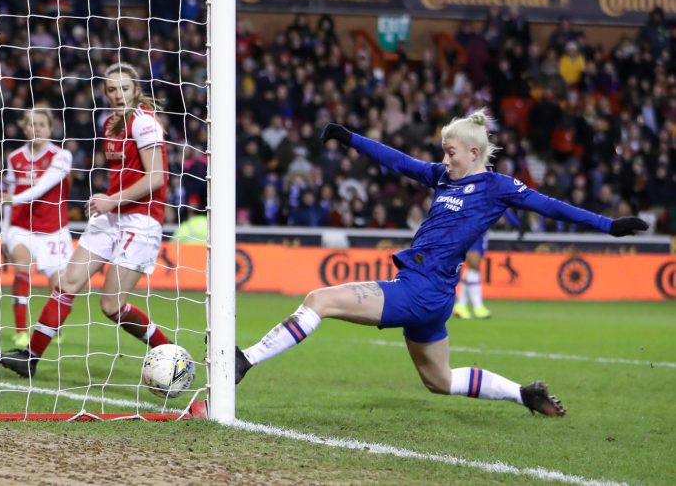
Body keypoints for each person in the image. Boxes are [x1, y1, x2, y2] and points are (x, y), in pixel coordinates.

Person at [234, 110, 647, 416]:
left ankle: (246, 360)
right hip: (432, 291)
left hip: (422, 288)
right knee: (440, 380)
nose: (444, 160)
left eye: (450, 153)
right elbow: (399, 161)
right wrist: (350, 138)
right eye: (442, 153)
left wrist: (608, 225)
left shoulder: (497, 186)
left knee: (319, 299)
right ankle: (524, 394)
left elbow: (550, 206)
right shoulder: (443, 177)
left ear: (473, 151)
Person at [0, 62, 172, 378]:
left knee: (111, 306)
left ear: (136, 89)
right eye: (112, 89)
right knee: (67, 283)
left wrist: (111, 199)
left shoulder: (145, 124)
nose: (118, 95)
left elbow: (157, 177)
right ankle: (30, 357)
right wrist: (108, 201)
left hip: (141, 220)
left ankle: (168, 350)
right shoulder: (110, 125)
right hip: (112, 216)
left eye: (124, 88)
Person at [0, 108, 72, 350]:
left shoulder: (62, 156)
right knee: (21, 269)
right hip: (22, 226)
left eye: (41, 124)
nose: (36, 129)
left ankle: (52, 327)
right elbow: (11, 193)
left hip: (54, 229)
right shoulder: (15, 157)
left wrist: (11, 200)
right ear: (25, 128)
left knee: (60, 287)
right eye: (31, 124)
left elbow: (41, 188)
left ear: (50, 128)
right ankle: (20, 331)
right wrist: (4, 234)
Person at [453, 208, 521, 320]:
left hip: (479, 230)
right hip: (471, 229)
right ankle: (477, 306)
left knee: (472, 269)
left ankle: (461, 305)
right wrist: (515, 223)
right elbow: (504, 203)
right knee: (474, 267)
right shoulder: (483, 193)